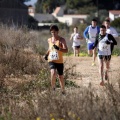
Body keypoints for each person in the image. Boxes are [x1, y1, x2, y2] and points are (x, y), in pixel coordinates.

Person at [44, 25, 68, 94]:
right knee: (53, 72)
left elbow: (66, 50)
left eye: (54, 32)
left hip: (59, 61)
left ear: (57, 32)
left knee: (60, 76)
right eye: (52, 32)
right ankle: (53, 88)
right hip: (51, 60)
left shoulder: (61, 40)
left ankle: (63, 91)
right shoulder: (49, 40)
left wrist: (59, 48)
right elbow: (49, 48)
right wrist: (46, 55)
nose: (53, 34)